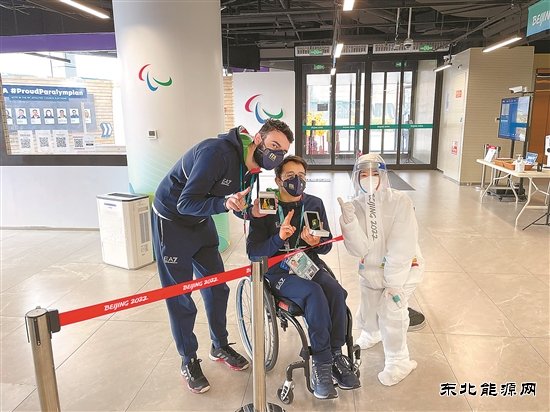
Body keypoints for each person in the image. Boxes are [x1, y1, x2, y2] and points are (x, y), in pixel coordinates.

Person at [152, 119, 293, 394]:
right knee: (180, 296)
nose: (277, 154)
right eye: (274, 145)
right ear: (258, 138)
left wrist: (251, 211)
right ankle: (188, 359)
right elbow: (185, 202)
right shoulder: (215, 153)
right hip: (171, 221)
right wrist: (223, 203)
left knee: (217, 288)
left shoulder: (252, 170)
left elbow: (238, 207)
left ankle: (219, 345)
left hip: (200, 222)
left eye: (283, 151)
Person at [247, 155, 360, 400]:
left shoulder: (313, 204)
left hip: (307, 263)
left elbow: (326, 247)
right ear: (278, 180)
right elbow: (253, 252)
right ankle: (321, 363)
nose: (297, 181)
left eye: (301, 176)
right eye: (290, 176)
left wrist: (316, 243)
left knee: (336, 291)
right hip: (277, 269)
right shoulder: (266, 206)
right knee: (313, 293)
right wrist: (278, 238)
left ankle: (335, 354)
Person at [338, 153, 425, 387]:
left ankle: (399, 360)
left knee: (391, 309)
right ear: (356, 178)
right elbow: (359, 249)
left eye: (374, 173)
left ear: (383, 175)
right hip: (371, 269)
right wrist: (349, 223)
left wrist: (393, 281)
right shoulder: (356, 205)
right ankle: (372, 332)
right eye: (363, 174)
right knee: (369, 306)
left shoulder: (400, 201)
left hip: (403, 269)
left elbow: (402, 244)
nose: (369, 178)